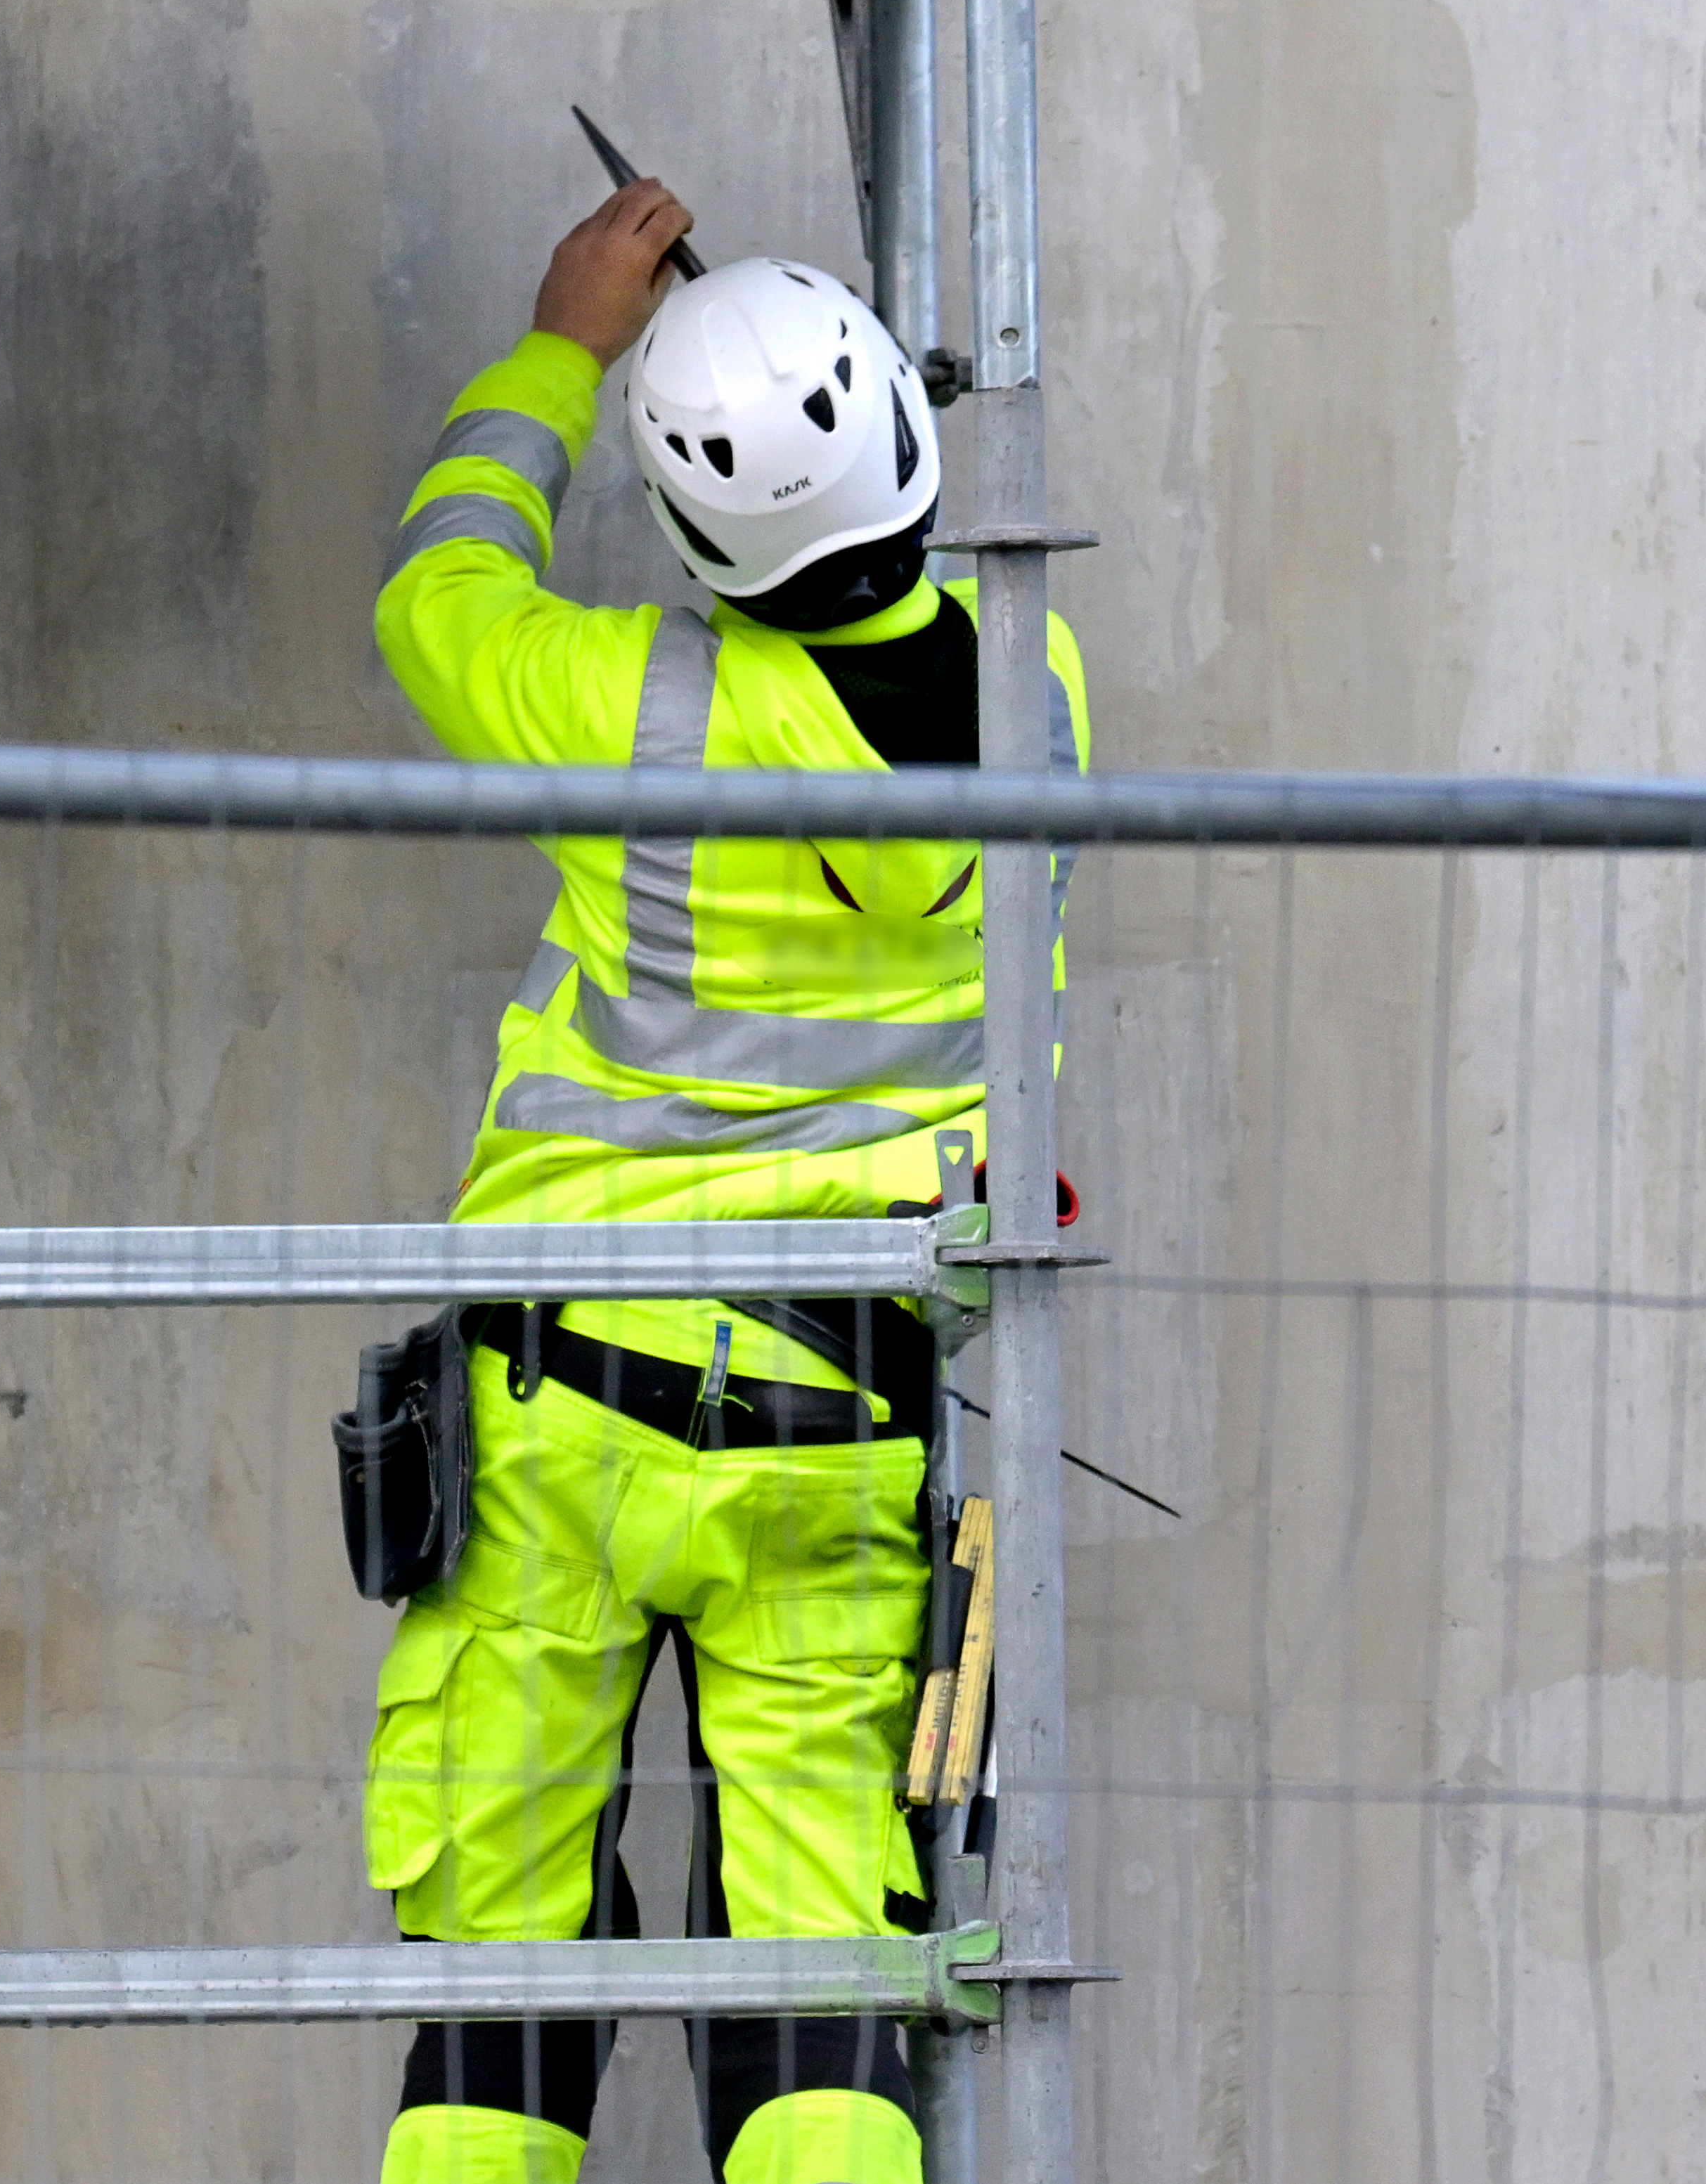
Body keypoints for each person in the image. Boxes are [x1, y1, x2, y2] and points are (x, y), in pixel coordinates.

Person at [364, 177, 1087, 2184]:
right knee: (816, 1959)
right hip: (838, 1404)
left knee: (504, 1948)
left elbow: (435, 594)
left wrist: (562, 349)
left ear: (689, 536)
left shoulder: (627, 706)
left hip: (563, 1410)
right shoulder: (1046, 695)